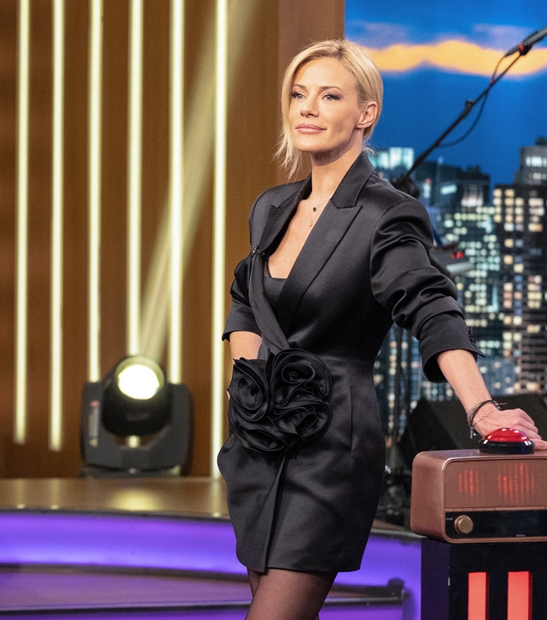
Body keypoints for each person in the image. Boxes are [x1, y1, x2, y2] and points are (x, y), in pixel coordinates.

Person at [217, 39, 544, 620]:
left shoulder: (384, 212)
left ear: (366, 113)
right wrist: (250, 380)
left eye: (328, 96)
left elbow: (432, 307)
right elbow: (246, 297)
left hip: (330, 449)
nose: (306, 108)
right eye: (298, 94)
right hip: (260, 444)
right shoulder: (270, 207)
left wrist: (481, 409)